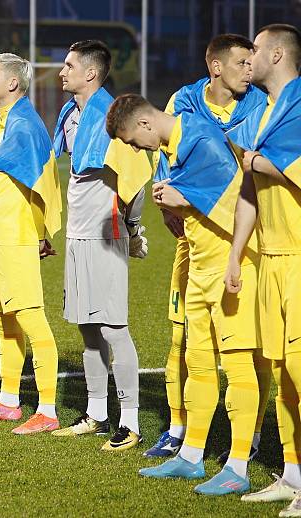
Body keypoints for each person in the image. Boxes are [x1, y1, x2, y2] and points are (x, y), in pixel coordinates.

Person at [106, 93, 263, 494]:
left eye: (130, 140)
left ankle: (239, 465)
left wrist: (184, 199)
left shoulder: (202, 141)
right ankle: (191, 456)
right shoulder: (174, 148)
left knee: (238, 366)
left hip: (232, 268)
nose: (134, 148)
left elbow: (242, 209)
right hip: (198, 268)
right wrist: (175, 206)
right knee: (198, 364)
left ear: (144, 124)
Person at [144, 34, 271, 459]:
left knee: (252, 345)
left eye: (251, 62)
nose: (248, 70)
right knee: (181, 336)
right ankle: (179, 429)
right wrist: (167, 208)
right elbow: (163, 158)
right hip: (194, 239)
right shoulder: (183, 100)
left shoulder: (258, 103)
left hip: (249, 236)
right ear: (215, 66)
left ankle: (249, 438)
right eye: (240, 63)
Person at [49, 40, 150, 451]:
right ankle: (97, 412)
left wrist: (134, 229)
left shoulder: (113, 115)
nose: (62, 71)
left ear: (91, 73)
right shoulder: (71, 113)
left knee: (113, 328)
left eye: (69, 65)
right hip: (78, 234)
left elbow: (136, 174)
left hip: (106, 234)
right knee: (88, 329)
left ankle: (130, 420)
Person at [222, 24, 301, 516]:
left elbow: (269, 168)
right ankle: (291, 473)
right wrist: (236, 252)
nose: (247, 57)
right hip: (269, 258)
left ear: (276, 53)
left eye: (253, 48)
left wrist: (259, 162)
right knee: (281, 373)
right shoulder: (264, 112)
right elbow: (251, 189)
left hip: (300, 256)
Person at [0, 53, 62, 434]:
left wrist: (40, 233)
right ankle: (8, 401)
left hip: (15, 237)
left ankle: (48, 410)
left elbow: (42, 182)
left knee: (31, 318)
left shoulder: (25, 125)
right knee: (4, 320)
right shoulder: (1, 121)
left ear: (13, 84)